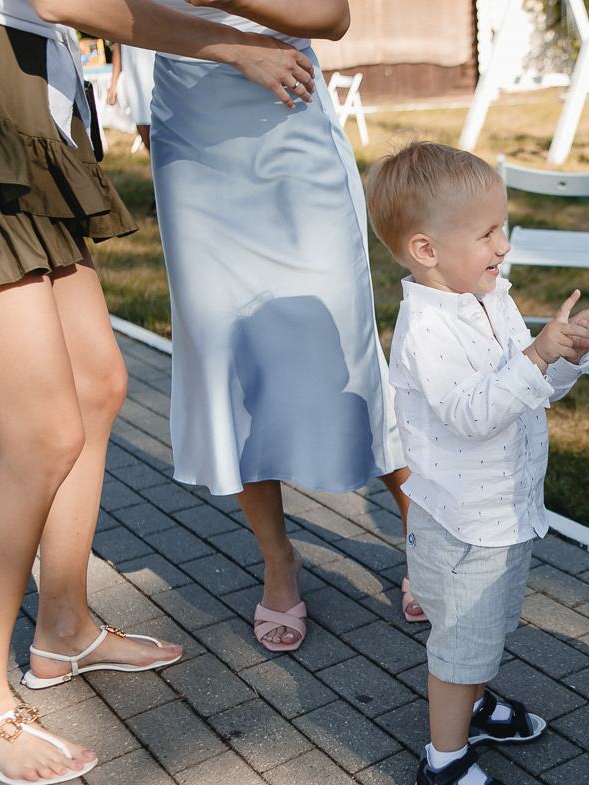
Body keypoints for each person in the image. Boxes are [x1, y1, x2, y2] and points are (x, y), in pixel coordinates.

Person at [0, 0, 316, 785]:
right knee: (38, 436)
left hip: (28, 87)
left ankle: (63, 626)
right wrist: (233, 46)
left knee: (99, 386)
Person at [146, 0, 417, 652]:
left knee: (343, 353)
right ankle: (278, 558)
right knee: (229, 360)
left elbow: (331, 14)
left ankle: (424, 537)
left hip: (290, 124)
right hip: (191, 132)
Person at [365, 141, 589, 785]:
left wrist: (561, 357)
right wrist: (536, 353)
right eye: (487, 234)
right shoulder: (425, 329)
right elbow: (473, 412)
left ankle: (473, 704)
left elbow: (523, 393)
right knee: (459, 642)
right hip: (461, 524)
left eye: (502, 227)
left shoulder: (485, 295)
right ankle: (441, 762)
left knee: (489, 626)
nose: (505, 245)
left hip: (505, 508)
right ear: (425, 249)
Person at [107, 44, 156, 151]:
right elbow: (118, 45)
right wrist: (113, 84)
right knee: (145, 134)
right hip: (134, 80)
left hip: (155, 75)